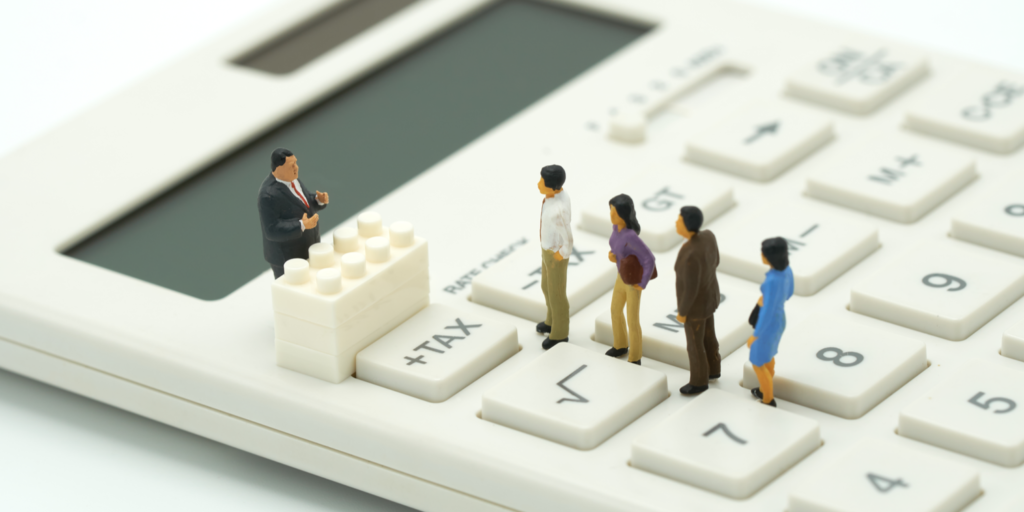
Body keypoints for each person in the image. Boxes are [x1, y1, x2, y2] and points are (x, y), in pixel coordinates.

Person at [257, 148, 330, 278]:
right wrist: (301, 225)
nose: (296, 168)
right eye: (292, 166)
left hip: (308, 248)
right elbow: (272, 230)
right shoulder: (268, 195)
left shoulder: (293, 179)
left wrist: (318, 200)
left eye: (296, 163)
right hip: (287, 258)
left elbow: (304, 203)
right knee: (291, 293)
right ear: (279, 169)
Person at [674, 206, 721, 395]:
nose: (676, 223)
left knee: (695, 343)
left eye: (678, 221)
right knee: (709, 335)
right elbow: (716, 261)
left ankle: (699, 380)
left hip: (695, 307)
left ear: (687, 225)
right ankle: (714, 368)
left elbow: (691, 289)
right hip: (710, 297)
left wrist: (683, 311)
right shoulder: (709, 236)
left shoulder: (690, 253)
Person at [605, 194, 656, 365]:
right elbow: (618, 250)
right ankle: (620, 345)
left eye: (615, 212)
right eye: (610, 210)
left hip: (633, 282)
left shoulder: (631, 236)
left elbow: (649, 259)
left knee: (632, 320)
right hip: (621, 277)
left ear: (624, 214)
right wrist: (614, 257)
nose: (611, 215)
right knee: (615, 310)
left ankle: (635, 357)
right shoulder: (615, 229)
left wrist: (642, 283)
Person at [747, 237, 794, 407]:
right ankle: (764, 388)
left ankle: (767, 397)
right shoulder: (787, 271)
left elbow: (766, 312)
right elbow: (789, 292)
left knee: (758, 363)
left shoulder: (771, 281)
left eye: (763, 253)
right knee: (768, 356)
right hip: (780, 319)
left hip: (768, 323)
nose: (761, 255)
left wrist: (756, 335)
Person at [536, 165, 573, 349]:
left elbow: (568, 239)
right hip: (547, 250)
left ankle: (559, 334)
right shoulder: (553, 197)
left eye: (541, 181)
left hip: (555, 254)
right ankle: (551, 321)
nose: (538, 184)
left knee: (557, 294)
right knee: (546, 287)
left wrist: (558, 256)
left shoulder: (558, 210)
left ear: (551, 186)